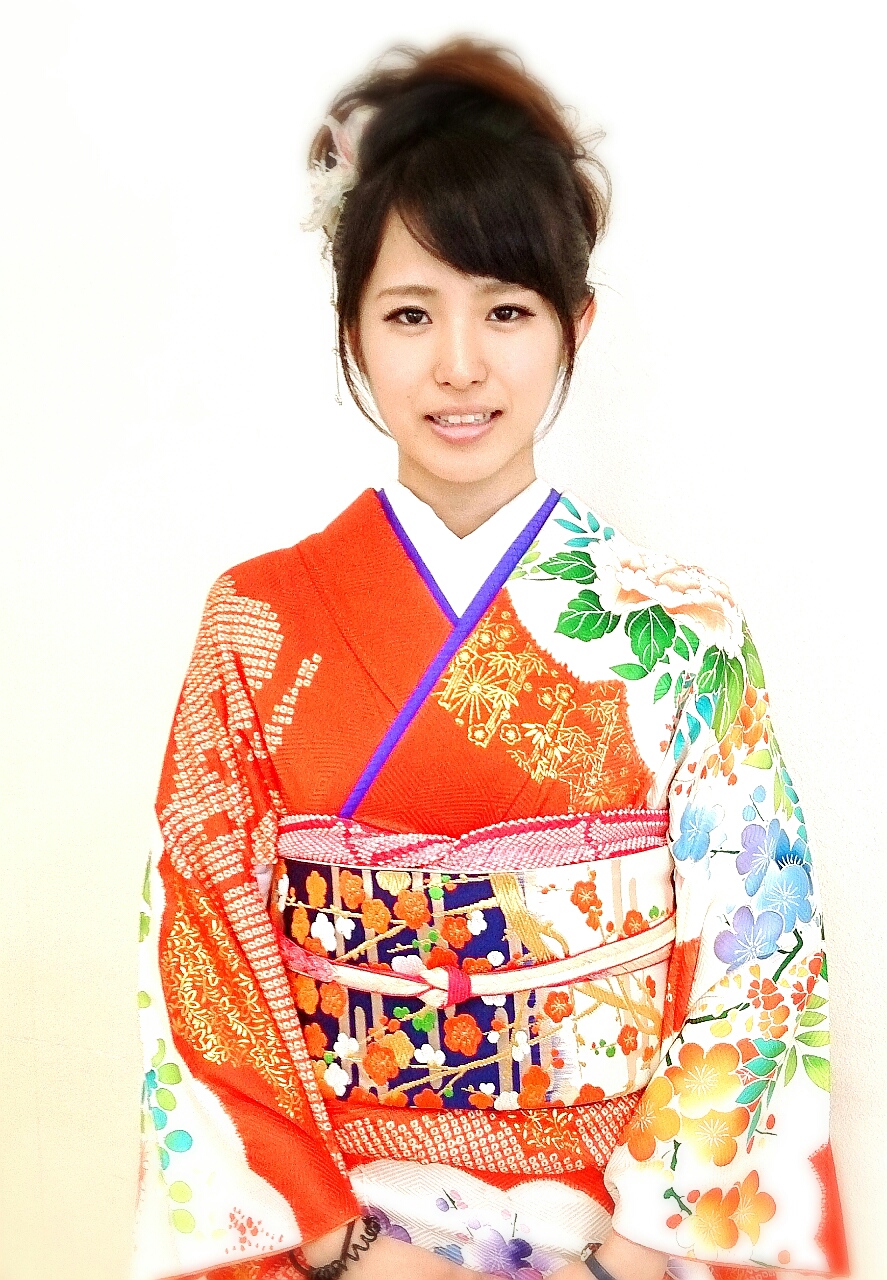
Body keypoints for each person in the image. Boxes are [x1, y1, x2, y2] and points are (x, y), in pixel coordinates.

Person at [133, 36, 848, 1280]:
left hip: (617, 1242)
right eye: (410, 312)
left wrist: (630, 1251)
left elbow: (756, 963)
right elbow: (201, 956)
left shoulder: (686, 631)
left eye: (505, 310)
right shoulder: (257, 621)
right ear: (353, 331)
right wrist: (346, 1244)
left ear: (573, 324)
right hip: (345, 1239)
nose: (458, 364)